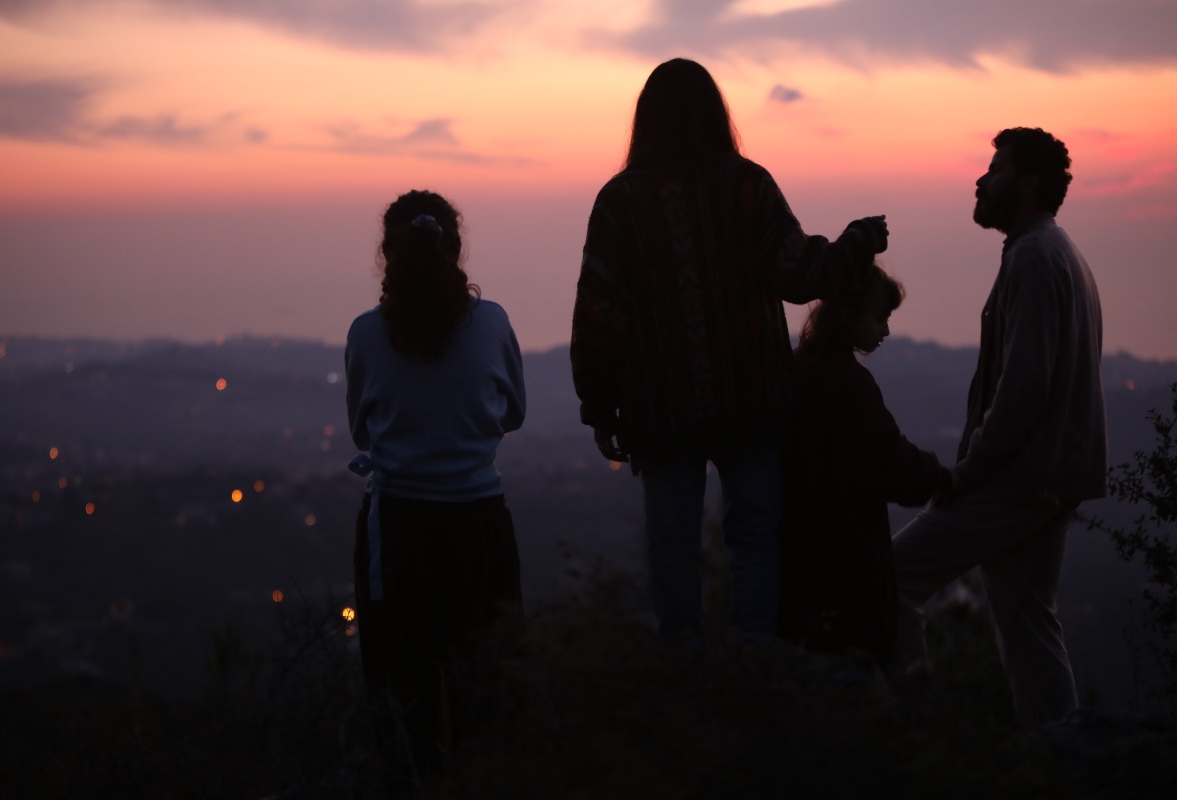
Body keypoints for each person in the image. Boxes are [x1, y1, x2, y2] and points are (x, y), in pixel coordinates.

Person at [570, 57, 889, 646]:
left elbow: (599, 312)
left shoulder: (620, 202)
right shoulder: (747, 186)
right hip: (752, 399)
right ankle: (754, 666)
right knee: (755, 540)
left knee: (672, 544)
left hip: (662, 408)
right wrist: (858, 240)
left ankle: (685, 674)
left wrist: (600, 406)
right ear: (716, 114)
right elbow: (799, 273)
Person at [891, 128, 1107, 730]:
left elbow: (1024, 388)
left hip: (1016, 482)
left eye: (995, 169)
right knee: (1030, 626)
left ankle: (909, 730)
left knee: (891, 581)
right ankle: (1063, 757)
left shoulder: (1037, 257)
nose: (981, 181)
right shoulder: (1055, 253)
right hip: (1048, 483)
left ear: (1029, 181)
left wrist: (967, 471)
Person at [345, 189, 527, 780]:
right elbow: (514, 412)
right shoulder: (493, 322)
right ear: (455, 250)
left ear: (386, 255)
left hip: (396, 533)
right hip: (479, 528)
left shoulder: (365, 334)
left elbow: (359, 433)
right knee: (486, 690)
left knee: (401, 695)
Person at [780, 264, 950, 664]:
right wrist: (942, 476)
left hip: (796, 557)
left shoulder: (795, 368)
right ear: (847, 316)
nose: (885, 332)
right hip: (846, 559)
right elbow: (888, 462)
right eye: (880, 318)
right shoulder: (848, 383)